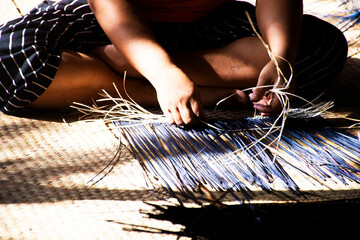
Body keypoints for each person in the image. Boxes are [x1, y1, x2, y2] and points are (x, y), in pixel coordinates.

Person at [0, 0, 348, 125]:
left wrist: (280, 57)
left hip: (205, 27)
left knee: (322, 47)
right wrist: (163, 74)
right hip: (107, 24)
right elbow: (114, 12)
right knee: (8, 58)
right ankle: (150, 89)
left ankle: (116, 64)